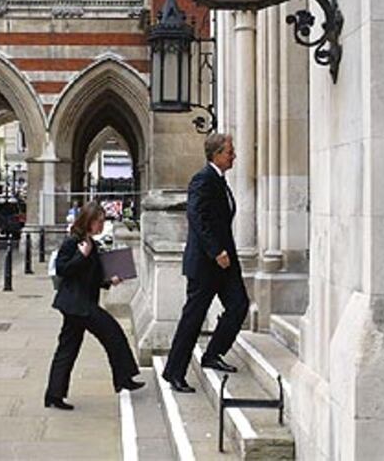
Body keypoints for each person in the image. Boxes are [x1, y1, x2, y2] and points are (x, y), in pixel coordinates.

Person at [162, 133, 249, 393]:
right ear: (216, 154)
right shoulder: (203, 179)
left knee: (239, 305)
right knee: (193, 319)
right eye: (229, 151)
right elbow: (196, 217)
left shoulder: (219, 180)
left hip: (224, 263)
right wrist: (216, 251)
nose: (233, 156)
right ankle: (174, 372)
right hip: (206, 263)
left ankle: (212, 354)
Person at [44, 201, 145, 410]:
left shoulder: (93, 244)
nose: (101, 225)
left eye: (102, 221)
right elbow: (63, 269)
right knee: (113, 333)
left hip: (82, 304)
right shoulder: (74, 242)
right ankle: (124, 378)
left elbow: (95, 277)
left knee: (68, 348)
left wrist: (110, 280)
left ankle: (53, 395)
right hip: (76, 304)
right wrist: (82, 255)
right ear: (88, 221)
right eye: (99, 222)